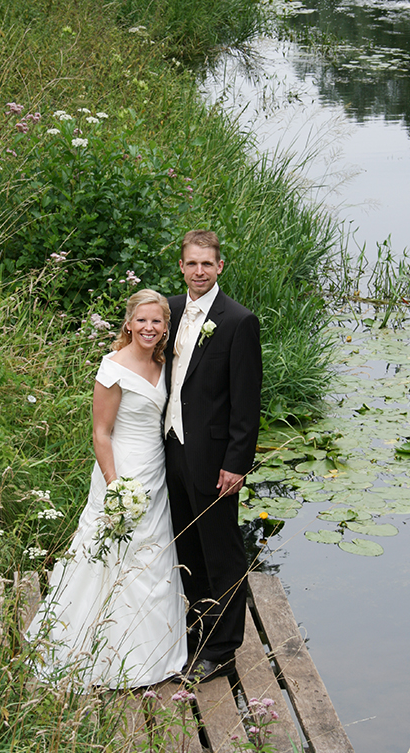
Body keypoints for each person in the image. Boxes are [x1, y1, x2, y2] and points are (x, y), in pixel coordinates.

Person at [27, 289, 187, 688]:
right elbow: (101, 433)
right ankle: (88, 648)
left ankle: (149, 651)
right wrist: (115, 488)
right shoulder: (112, 368)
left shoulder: (165, 364)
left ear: (166, 327)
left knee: (149, 557)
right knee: (105, 554)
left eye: (157, 321)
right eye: (142, 320)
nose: (149, 328)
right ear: (129, 323)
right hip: (121, 472)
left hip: (154, 471)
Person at [164, 230, 262, 683]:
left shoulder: (239, 321)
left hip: (215, 459)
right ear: (181, 266)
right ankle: (197, 632)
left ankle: (222, 651)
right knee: (188, 549)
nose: (199, 271)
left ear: (219, 266)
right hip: (171, 451)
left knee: (222, 553)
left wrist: (237, 463)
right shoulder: (170, 310)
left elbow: (246, 402)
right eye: (191, 264)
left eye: (207, 264)